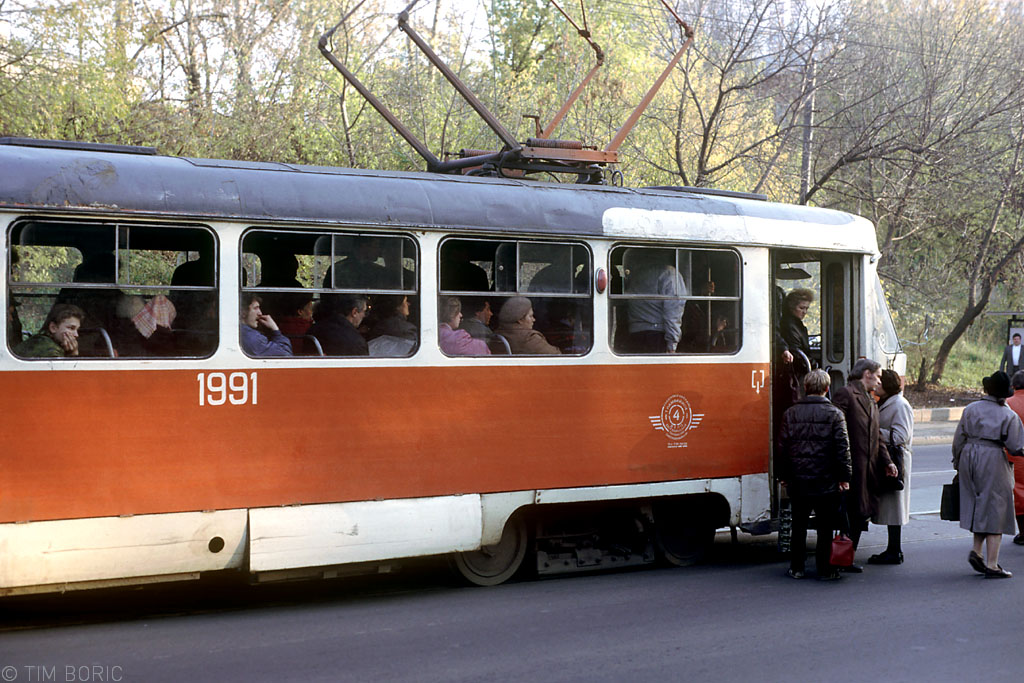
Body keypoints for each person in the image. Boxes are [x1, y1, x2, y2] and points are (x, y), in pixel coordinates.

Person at [778, 369, 852, 581]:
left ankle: (797, 567)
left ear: (805, 388)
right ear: (827, 389)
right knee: (825, 527)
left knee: (798, 525)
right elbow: (842, 449)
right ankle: (824, 568)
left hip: (799, 480)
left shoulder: (790, 413)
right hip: (825, 480)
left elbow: (782, 448)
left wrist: (784, 475)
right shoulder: (835, 415)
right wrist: (844, 477)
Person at [953, 371, 1024, 578]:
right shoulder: (1008, 415)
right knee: (997, 507)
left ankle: (977, 551)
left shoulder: (971, 409)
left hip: (969, 456)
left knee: (978, 504)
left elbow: (959, 439)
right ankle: (992, 564)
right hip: (993, 457)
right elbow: (1014, 445)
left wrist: (958, 463)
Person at [831, 358, 899, 570]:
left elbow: (877, 435)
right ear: (867, 374)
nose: (879, 381)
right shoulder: (847, 393)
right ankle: (842, 558)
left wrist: (887, 461)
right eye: (877, 376)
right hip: (852, 465)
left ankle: (847, 557)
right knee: (850, 513)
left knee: (860, 513)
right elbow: (836, 428)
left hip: (867, 466)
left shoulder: (870, 399)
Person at [868, 369, 915, 564]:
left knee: (894, 506)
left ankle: (894, 550)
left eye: (879, 382)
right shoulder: (886, 402)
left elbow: (900, 437)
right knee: (889, 506)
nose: (875, 385)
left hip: (896, 460)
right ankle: (892, 549)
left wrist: (874, 432)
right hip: (885, 458)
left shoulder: (900, 405)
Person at [625, 261, 687, 353]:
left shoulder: (638, 273)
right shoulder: (670, 274)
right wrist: (672, 344)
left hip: (635, 333)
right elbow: (673, 312)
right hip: (657, 336)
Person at [15, 303, 85, 358]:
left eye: (77, 330)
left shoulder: (40, 340)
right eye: (71, 328)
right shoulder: (50, 352)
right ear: (53, 327)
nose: (76, 335)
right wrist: (73, 355)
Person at [1005, 371, 1024, 545]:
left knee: (1018, 494)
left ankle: (1023, 532)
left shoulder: (1008, 404)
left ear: (1013, 386)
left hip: (1015, 456)